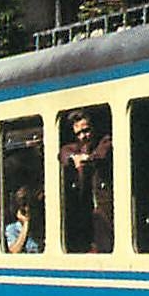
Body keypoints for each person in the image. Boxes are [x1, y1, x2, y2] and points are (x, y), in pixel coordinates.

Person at [59, 108, 114, 252]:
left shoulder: (104, 141)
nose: (83, 136)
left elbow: (103, 153)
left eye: (86, 130)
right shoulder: (74, 148)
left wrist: (86, 159)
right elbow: (64, 154)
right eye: (79, 133)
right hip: (84, 215)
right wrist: (73, 158)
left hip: (105, 212)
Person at [5, 185, 43, 254]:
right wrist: (26, 224)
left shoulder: (39, 228)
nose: (27, 209)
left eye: (30, 205)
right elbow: (14, 251)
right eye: (23, 205)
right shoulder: (11, 229)